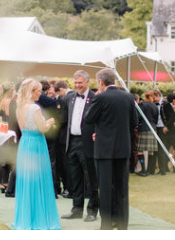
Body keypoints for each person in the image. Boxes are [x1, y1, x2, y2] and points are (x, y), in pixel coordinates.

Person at [83, 68, 139, 230]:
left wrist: (100, 132)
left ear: (101, 82)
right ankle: (122, 224)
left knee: (106, 189)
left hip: (104, 150)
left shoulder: (100, 98)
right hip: (123, 149)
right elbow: (134, 122)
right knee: (122, 188)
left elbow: (88, 119)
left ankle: (107, 225)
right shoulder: (128, 97)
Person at [13, 78, 61, 230]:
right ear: (31, 91)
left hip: (25, 143)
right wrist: (50, 122)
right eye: (38, 91)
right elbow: (42, 129)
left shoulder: (18, 107)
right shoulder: (34, 109)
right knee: (39, 179)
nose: (40, 94)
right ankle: (39, 219)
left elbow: (23, 127)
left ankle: (25, 218)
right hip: (36, 144)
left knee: (27, 180)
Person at [60, 71, 98, 222]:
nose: (77, 85)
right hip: (72, 142)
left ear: (87, 82)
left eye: (80, 82)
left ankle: (92, 211)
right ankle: (76, 209)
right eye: (75, 83)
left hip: (88, 142)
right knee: (75, 178)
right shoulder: (69, 98)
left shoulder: (95, 98)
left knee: (91, 179)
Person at [134, 91, 160, 176]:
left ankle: (143, 170)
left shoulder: (142, 104)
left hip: (144, 128)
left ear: (145, 97)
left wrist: (138, 124)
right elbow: (156, 119)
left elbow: (138, 116)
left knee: (140, 151)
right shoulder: (155, 106)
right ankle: (149, 170)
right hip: (153, 128)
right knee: (151, 151)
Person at [153, 90, 175, 176]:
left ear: (158, 95)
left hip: (164, 129)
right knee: (161, 149)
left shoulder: (165, 104)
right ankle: (163, 168)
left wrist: (166, 126)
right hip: (158, 128)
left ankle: (162, 170)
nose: (153, 99)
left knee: (162, 149)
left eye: (154, 97)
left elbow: (174, 116)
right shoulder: (156, 104)